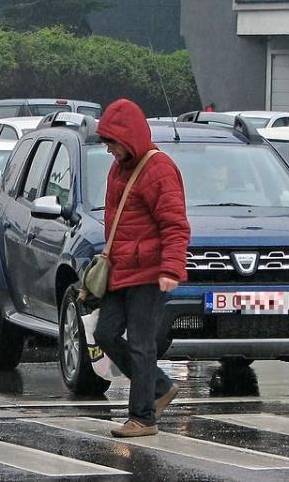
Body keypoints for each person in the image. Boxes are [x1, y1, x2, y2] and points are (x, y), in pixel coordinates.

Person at [91, 98, 191, 438]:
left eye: (112, 143)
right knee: (104, 333)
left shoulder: (158, 169)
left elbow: (175, 225)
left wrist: (171, 269)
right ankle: (160, 386)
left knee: (141, 343)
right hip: (121, 270)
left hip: (149, 272)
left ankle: (143, 418)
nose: (108, 150)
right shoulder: (119, 168)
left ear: (129, 137)